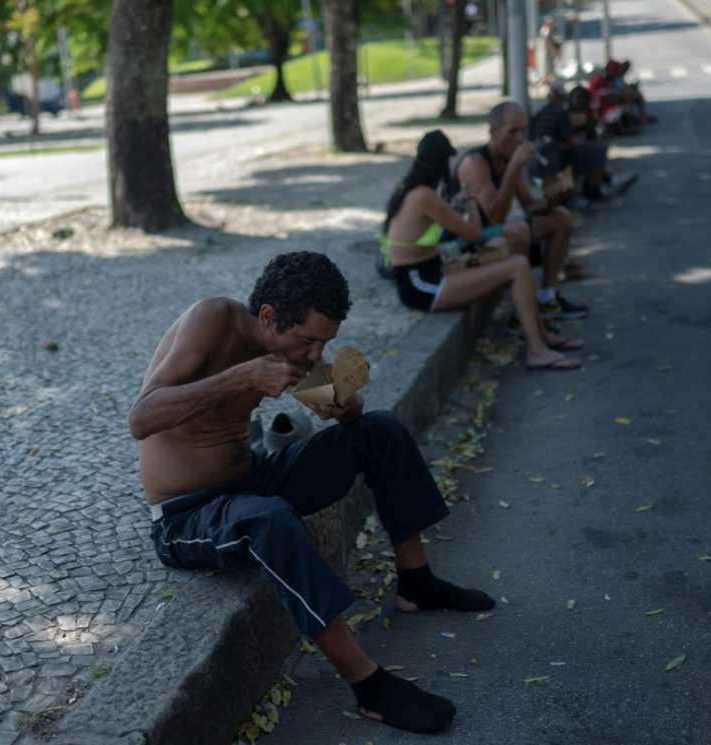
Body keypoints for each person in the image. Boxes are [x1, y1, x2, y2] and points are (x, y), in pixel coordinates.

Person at [130, 251, 498, 734]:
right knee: (271, 517)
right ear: (267, 317)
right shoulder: (211, 321)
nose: (313, 355)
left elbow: (344, 406)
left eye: (323, 343)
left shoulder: (293, 350)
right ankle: (369, 686)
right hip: (186, 517)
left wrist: (343, 404)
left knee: (378, 430)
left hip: (249, 479)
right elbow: (141, 417)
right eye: (308, 341)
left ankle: (417, 581)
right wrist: (243, 376)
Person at [385, 130, 581, 371]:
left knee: (512, 255)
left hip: (435, 266)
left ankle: (541, 336)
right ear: (441, 161)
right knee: (517, 266)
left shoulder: (412, 188)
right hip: (421, 284)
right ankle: (537, 350)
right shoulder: (425, 196)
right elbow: (475, 234)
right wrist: (469, 199)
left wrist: (458, 206)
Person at [455, 101, 589, 321]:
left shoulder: (508, 159)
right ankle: (521, 314)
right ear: (493, 132)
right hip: (470, 247)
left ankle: (547, 298)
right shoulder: (475, 163)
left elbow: (529, 206)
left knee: (561, 218)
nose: (519, 138)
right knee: (518, 231)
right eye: (512, 131)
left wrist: (556, 194)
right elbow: (494, 216)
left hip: (497, 235)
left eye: (523, 130)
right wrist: (514, 167)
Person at [532, 81, 638, 203]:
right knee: (597, 152)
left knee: (589, 150)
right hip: (553, 159)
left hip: (544, 157)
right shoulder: (560, 112)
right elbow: (572, 141)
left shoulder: (541, 113)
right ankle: (597, 190)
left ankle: (607, 181)